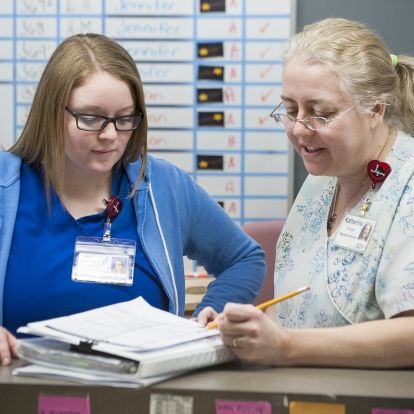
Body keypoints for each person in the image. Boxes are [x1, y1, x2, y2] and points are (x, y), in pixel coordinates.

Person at [0, 33, 265, 366]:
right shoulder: (6, 185)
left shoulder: (163, 186)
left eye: (124, 118)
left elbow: (244, 258)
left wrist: (211, 313)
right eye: (91, 118)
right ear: (51, 113)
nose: (110, 135)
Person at [218, 18, 414, 368]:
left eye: (320, 114)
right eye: (291, 111)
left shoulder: (407, 185)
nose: (298, 130)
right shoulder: (323, 179)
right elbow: (300, 307)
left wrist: (287, 347)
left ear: (375, 110)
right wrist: (246, 331)